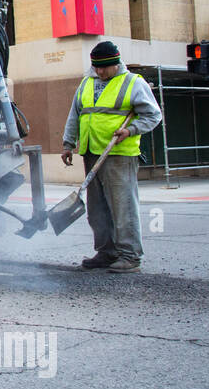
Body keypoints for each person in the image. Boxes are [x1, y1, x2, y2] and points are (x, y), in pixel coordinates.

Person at [60, 40, 163, 273]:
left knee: (122, 207)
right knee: (97, 208)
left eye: (104, 67)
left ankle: (130, 256)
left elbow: (153, 116)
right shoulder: (86, 83)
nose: (99, 71)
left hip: (118, 154)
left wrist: (130, 130)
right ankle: (106, 252)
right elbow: (75, 115)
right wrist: (68, 143)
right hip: (91, 152)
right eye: (96, 67)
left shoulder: (133, 83)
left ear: (116, 64)